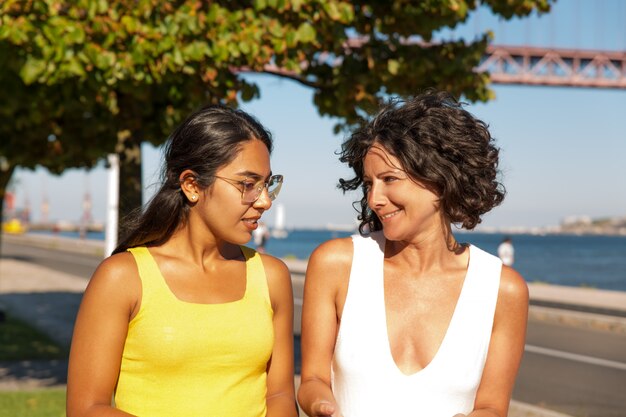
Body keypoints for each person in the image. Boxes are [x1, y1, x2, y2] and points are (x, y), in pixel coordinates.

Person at [297, 90, 529, 417]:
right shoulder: (336, 264)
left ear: (439, 178)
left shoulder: (503, 290)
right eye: (368, 183)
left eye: (389, 179)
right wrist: (322, 406)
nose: (375, 198)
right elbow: (313, 379)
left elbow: (492, 406)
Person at [67, 105, 297, 417]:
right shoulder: (122, 277)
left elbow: (281, 394)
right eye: (247, 184)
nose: (265, 200)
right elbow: (86, 408)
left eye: (268, 184)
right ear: (191, 185)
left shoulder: (271, 277)